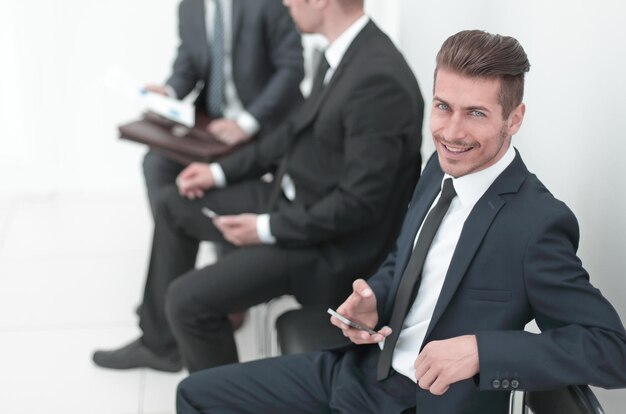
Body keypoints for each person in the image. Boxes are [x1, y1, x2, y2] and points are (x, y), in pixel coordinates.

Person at [174, 29, 626, 413]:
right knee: (196, 395)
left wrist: (482, 352)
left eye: (476, 114)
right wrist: (376, 297)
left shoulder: (536, 224)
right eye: (443, 106)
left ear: (515, 119)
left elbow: (612, 350)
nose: (451, 133)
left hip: (421, 402)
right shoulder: (439, 168)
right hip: (360, 372)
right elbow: (404, 261)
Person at [92, 0, 424, 374]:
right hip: (294, 204)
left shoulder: (378, 80)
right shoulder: (343, 53)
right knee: (174, 203)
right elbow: (290, 134)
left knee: (186, 301)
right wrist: (218, 172)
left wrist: (263, 229)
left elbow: (359, 206)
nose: (285, 2)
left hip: (323, 244)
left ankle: (222, 398)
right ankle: (159, 344)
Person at [142, 0, 304, 217]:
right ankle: (177, 235)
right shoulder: (190, 6)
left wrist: (246, 123)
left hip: (266, 122)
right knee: (156, 164)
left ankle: (229, 240)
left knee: (233, 176)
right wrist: (169, 92)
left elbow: (291, 68)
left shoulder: (266, 3)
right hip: (213, 124)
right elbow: (189, 59)